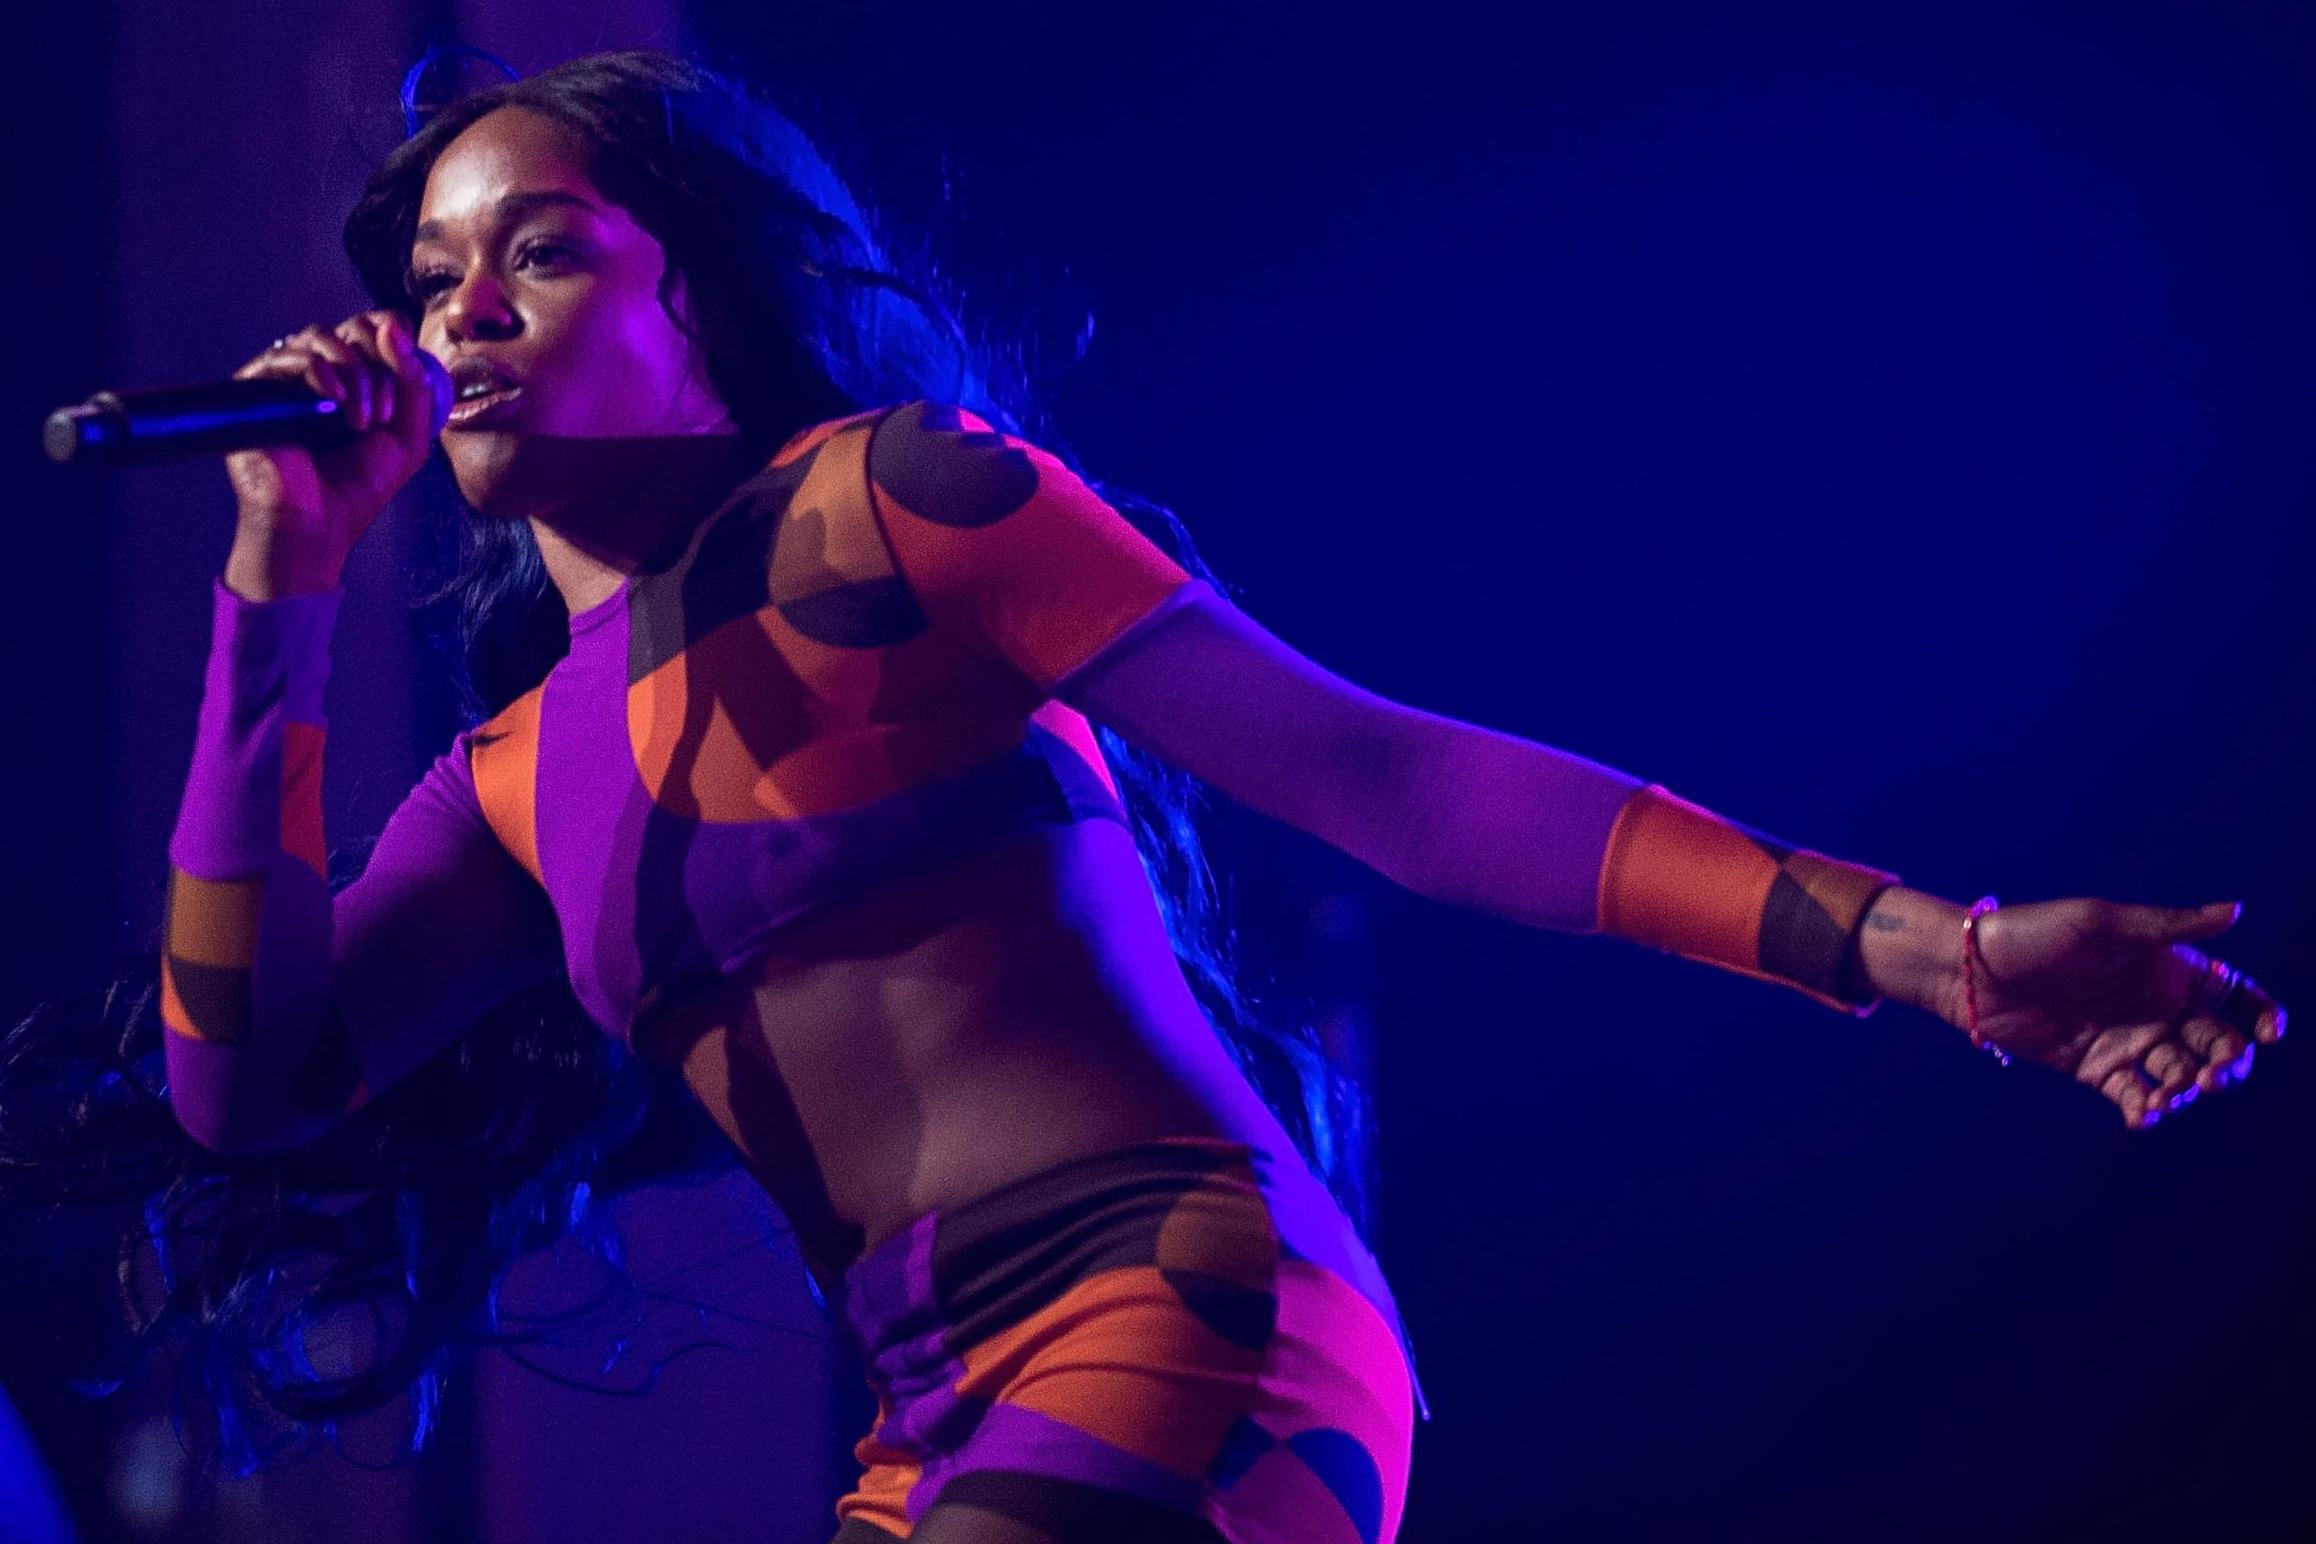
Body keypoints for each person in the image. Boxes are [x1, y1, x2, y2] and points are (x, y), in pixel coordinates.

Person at [79, 48, 2299, 1544]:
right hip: (932, 1426)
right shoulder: (511, 779)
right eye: (429, 278)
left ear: (696, 295)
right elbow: (239, 1082)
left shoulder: (894, 502)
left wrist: (1937, 949)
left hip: (1192, 1311)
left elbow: (1391, 777)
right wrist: (279, 582)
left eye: (537, 250)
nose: (459, 313)